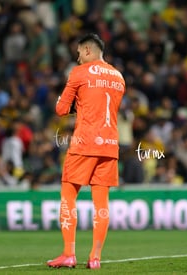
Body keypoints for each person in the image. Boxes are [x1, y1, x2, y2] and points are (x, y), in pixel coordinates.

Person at [47, 33, 125, 269]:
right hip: (110, 145)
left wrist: (74, 105)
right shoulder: (118, 76)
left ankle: (69, 254)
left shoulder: (79, 73)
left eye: (79, 52)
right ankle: (95, 258)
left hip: (85, 142)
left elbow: (61, 109)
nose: (77, 57)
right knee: (101, 202)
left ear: (88, 50)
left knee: (68, 195)